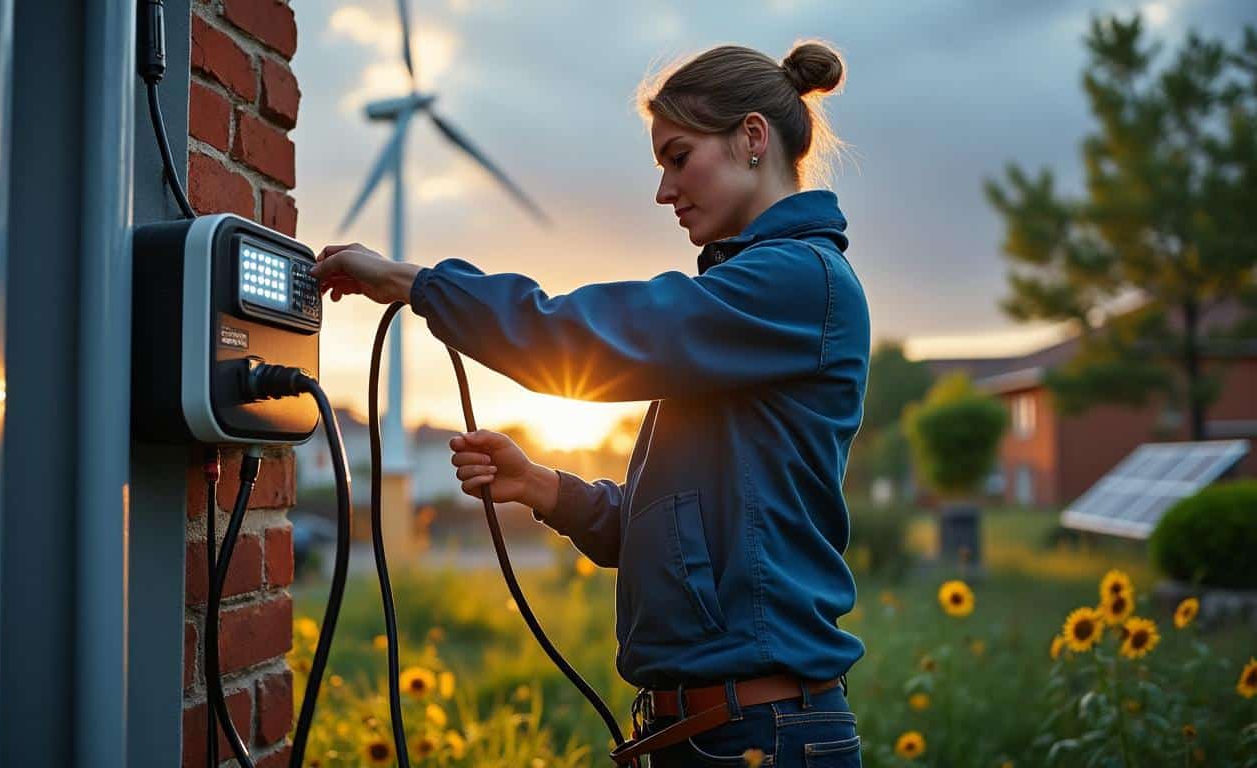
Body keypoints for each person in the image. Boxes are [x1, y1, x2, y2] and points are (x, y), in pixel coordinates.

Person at [312, 39, 868, 768]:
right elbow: (668, 536)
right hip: (713, 733)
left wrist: (418, 283)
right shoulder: (744, 311)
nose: (664, 191)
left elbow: (585, 337)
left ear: (752, 138)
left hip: (762, 735)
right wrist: (545, 487)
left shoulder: (798, 283)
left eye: (677, 156)